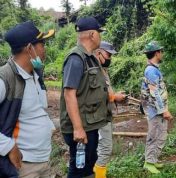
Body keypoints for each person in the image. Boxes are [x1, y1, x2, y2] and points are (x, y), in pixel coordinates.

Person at [0, 21, 55, 178]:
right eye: (42, 44)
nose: (45, 49)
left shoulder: (36, 73)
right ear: (30, 48)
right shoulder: (5, 78)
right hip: (23, 166)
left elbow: (37, 110)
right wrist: (8, 147)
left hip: (44, 160)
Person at [60, 17, 110, 178]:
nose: (100, 37)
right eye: (99, 33)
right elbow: (69, 94)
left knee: (89, 163)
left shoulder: (90, 58)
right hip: (81, 127)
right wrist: (78, 128)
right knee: (79, 168)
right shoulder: (76, 59)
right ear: (92, 35)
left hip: (90, 123)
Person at [93, 41, 127, 178]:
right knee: (105, 148)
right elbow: (96, 94)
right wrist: (114, 97)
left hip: (105, 114)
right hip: (99, 115)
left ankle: (96, 172)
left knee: (100, 147)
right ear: (98, 52)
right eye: (109, 55)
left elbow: (105, 91)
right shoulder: (94, 70)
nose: (110, 58)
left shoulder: (103, 69)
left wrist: (115, 95)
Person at [141, 41, 173, 174]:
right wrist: (164, 110)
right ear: (156, 53)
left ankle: (153, 160)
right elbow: (154, 93)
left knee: (161, 134)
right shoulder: (151, 71)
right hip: (155, 111)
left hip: (157, 109)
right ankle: (148, 162)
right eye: (161, 51)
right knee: (154, 135)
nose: (162, 54)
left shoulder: (154, 69)